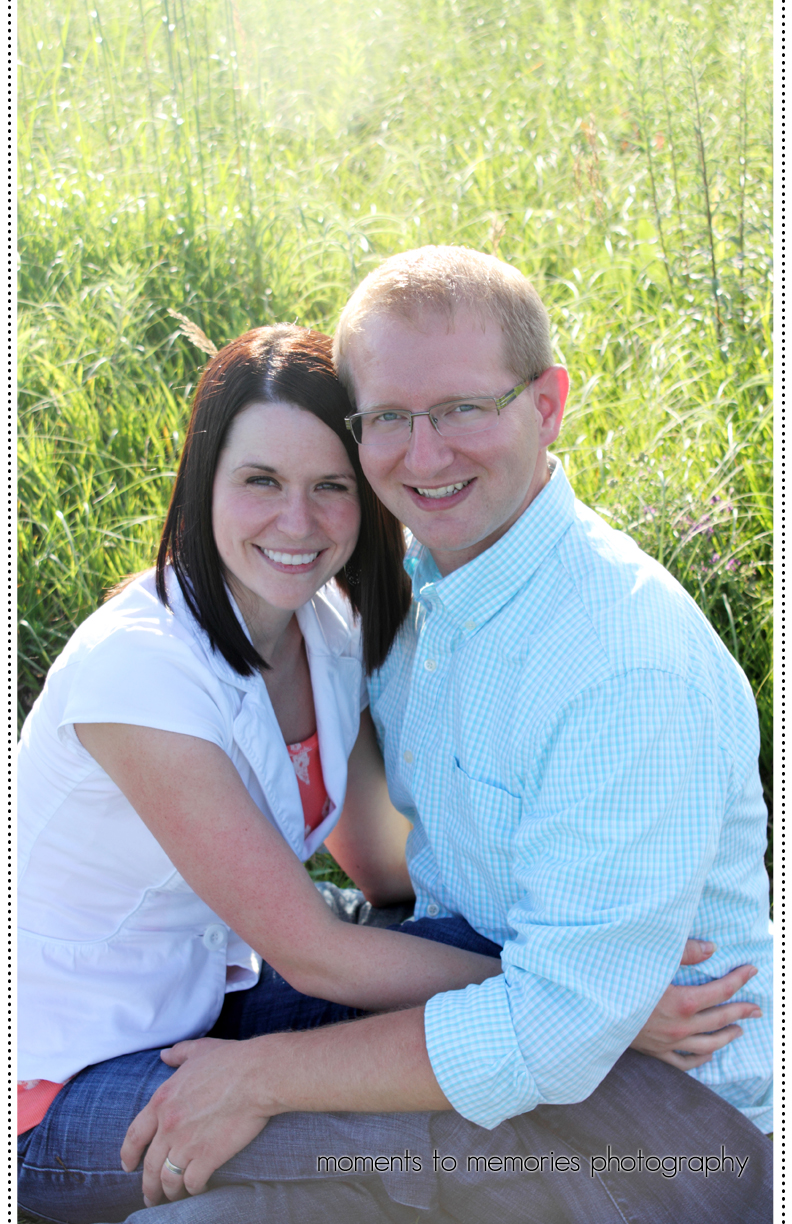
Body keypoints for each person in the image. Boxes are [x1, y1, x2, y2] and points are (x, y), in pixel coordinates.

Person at [75, 248, 770, 1224]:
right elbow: (398, 883)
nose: (426, 455)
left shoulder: (624, 666)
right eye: (390, 419)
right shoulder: (417, 596)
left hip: (667, 1133)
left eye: (463, 409)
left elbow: (555, 1032)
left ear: (548, 405)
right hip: (524, 1038)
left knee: (209, 1203)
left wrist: (268, 1072)